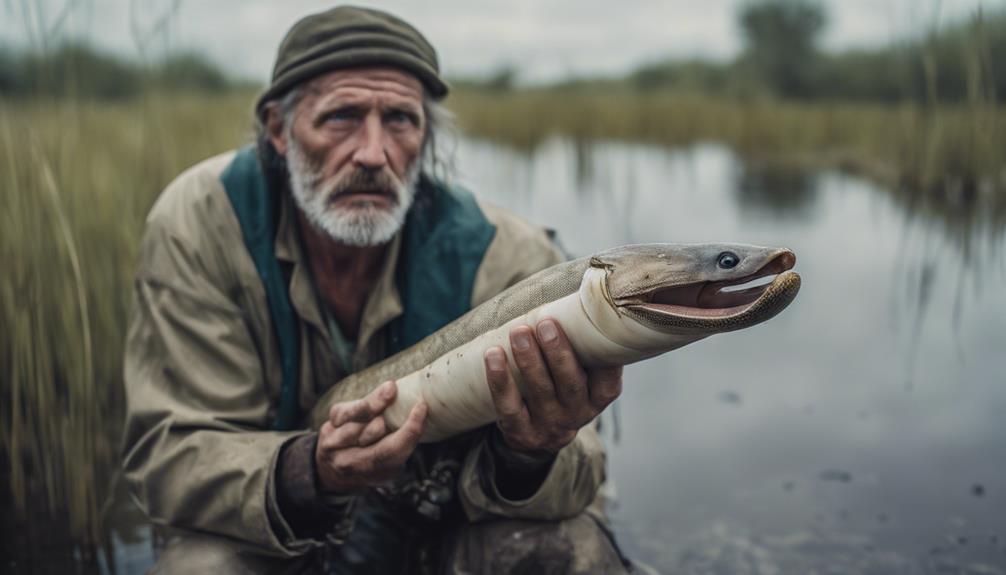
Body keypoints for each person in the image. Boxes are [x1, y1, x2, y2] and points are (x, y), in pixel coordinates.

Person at [122, 6, 630, 574]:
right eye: (340, 117)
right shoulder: (204, 223)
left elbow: (585, 475)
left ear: (424, 136)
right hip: (281, 528)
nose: (372, 153)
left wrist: (530, 453)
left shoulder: (508, 255)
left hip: (442, 527)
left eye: (399, 120)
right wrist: (310, 470)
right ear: (278, 129)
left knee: (574, 550)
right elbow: (168, 457)